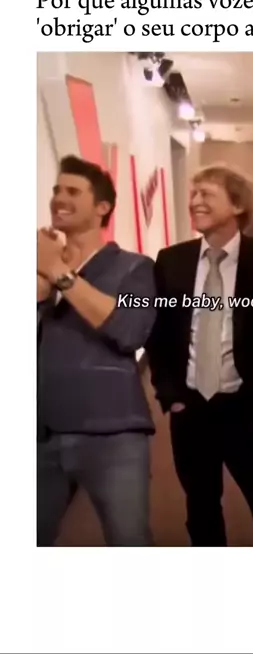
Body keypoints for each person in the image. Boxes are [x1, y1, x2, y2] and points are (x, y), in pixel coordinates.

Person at [146, 164, 253, 547]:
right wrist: (171, 395)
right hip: (190, 411)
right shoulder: (171, 260)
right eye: (193, 193)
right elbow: (159, 334)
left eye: (206, 194)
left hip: (247, 410)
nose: (195, 201)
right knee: (200, 508)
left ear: (238, 205)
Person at [37, 155, 157, 546]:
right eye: (57, 190)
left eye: (73, 191)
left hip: (113, 434)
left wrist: (60, 273)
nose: (59, 198)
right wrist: (39, 293)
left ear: (102, 207)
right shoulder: (35, 269)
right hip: (40, 432)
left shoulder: (135, 268)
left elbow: (129, 331)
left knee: (129, 542)